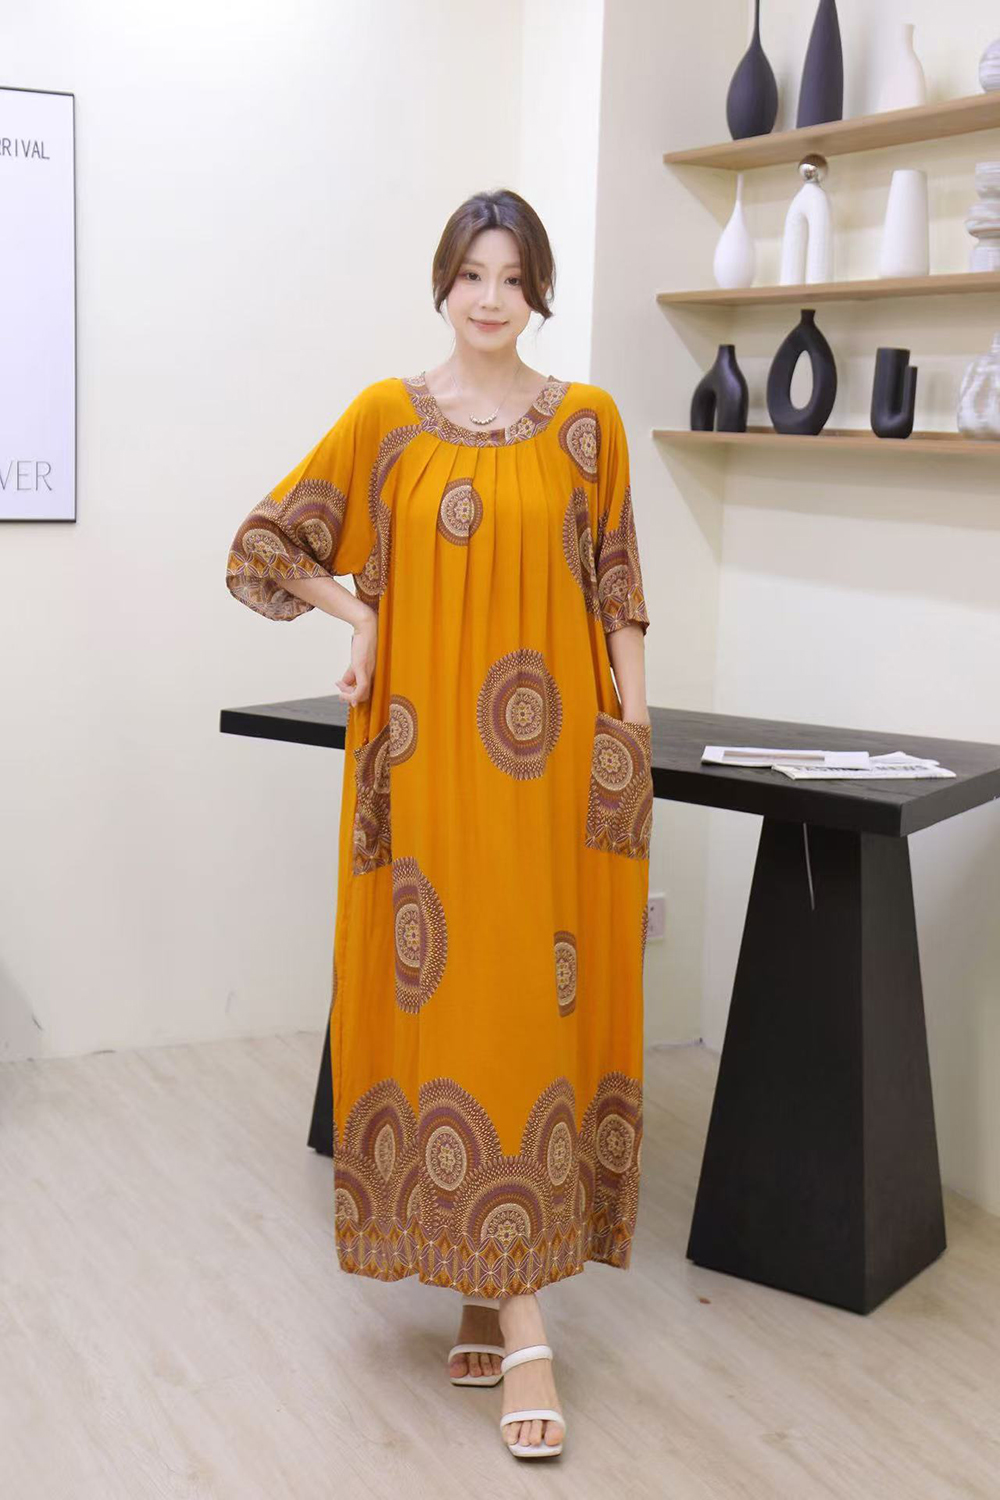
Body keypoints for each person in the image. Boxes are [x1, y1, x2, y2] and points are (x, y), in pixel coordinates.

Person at [225, 187, 652, 1461]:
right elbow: (264, 547)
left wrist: (630, 743)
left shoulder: (587, 425)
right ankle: (520, 1322)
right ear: (442, 282)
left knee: (527, 1008)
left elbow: (619, 593)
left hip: (553, 770)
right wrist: (361, 614)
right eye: (471, 273)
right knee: (456, 1010)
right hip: (420, 771)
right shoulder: (385, 420)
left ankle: (492, 1294)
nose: (489, 298)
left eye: (512, 277)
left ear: (538, 292)